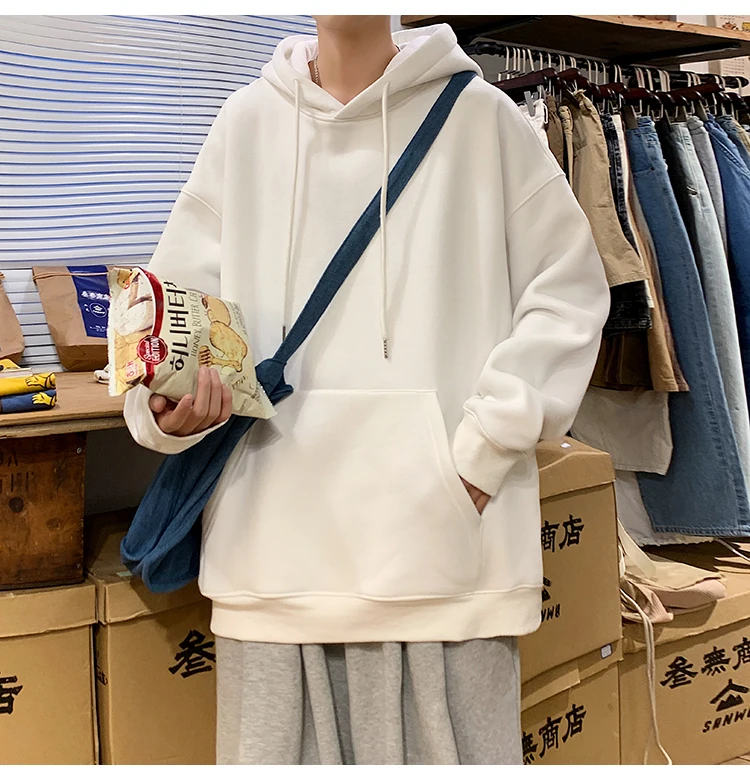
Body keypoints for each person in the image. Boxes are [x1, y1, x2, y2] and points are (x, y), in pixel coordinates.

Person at [124, 15, 609, 765]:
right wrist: (168, 409)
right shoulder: (246, 125)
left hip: (443, 566)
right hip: (271, 563)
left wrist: (481, 454)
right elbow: (169, 320)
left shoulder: (483, 120)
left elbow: (570, 292)